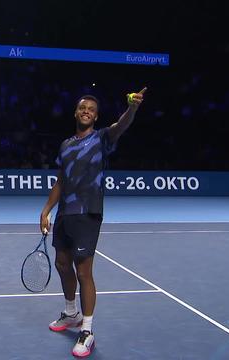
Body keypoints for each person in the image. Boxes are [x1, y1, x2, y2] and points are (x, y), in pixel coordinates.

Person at [39, 88, 146, 357]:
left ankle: (87, 331)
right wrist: (46, 210)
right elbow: (61, 181)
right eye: (82, 108)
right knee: (62, 264)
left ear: (95, 117)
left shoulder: (101, 139)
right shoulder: (65, 145)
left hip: (88, 212)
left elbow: (121, 126)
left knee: (84, 272)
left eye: (91, 110)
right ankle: (71, 314)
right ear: (76, 112)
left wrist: (132, 108)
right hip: (65, 213)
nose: (86, 111)